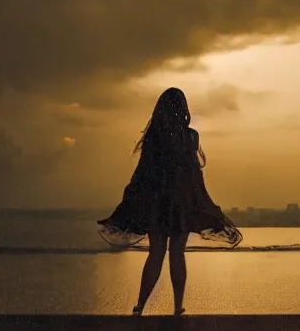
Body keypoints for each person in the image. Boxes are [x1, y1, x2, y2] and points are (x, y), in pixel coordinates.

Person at [97, 87, 242, 316]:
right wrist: (203, 203)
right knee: (177, 254)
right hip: (181, 204)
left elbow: (143, 173)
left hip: (157, 203)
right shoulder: (191, 136)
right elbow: (194, 175)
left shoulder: (154, 137)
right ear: (183, 109)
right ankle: (177, 308)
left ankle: (140, 307)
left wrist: (131, 200)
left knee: (156, 253)